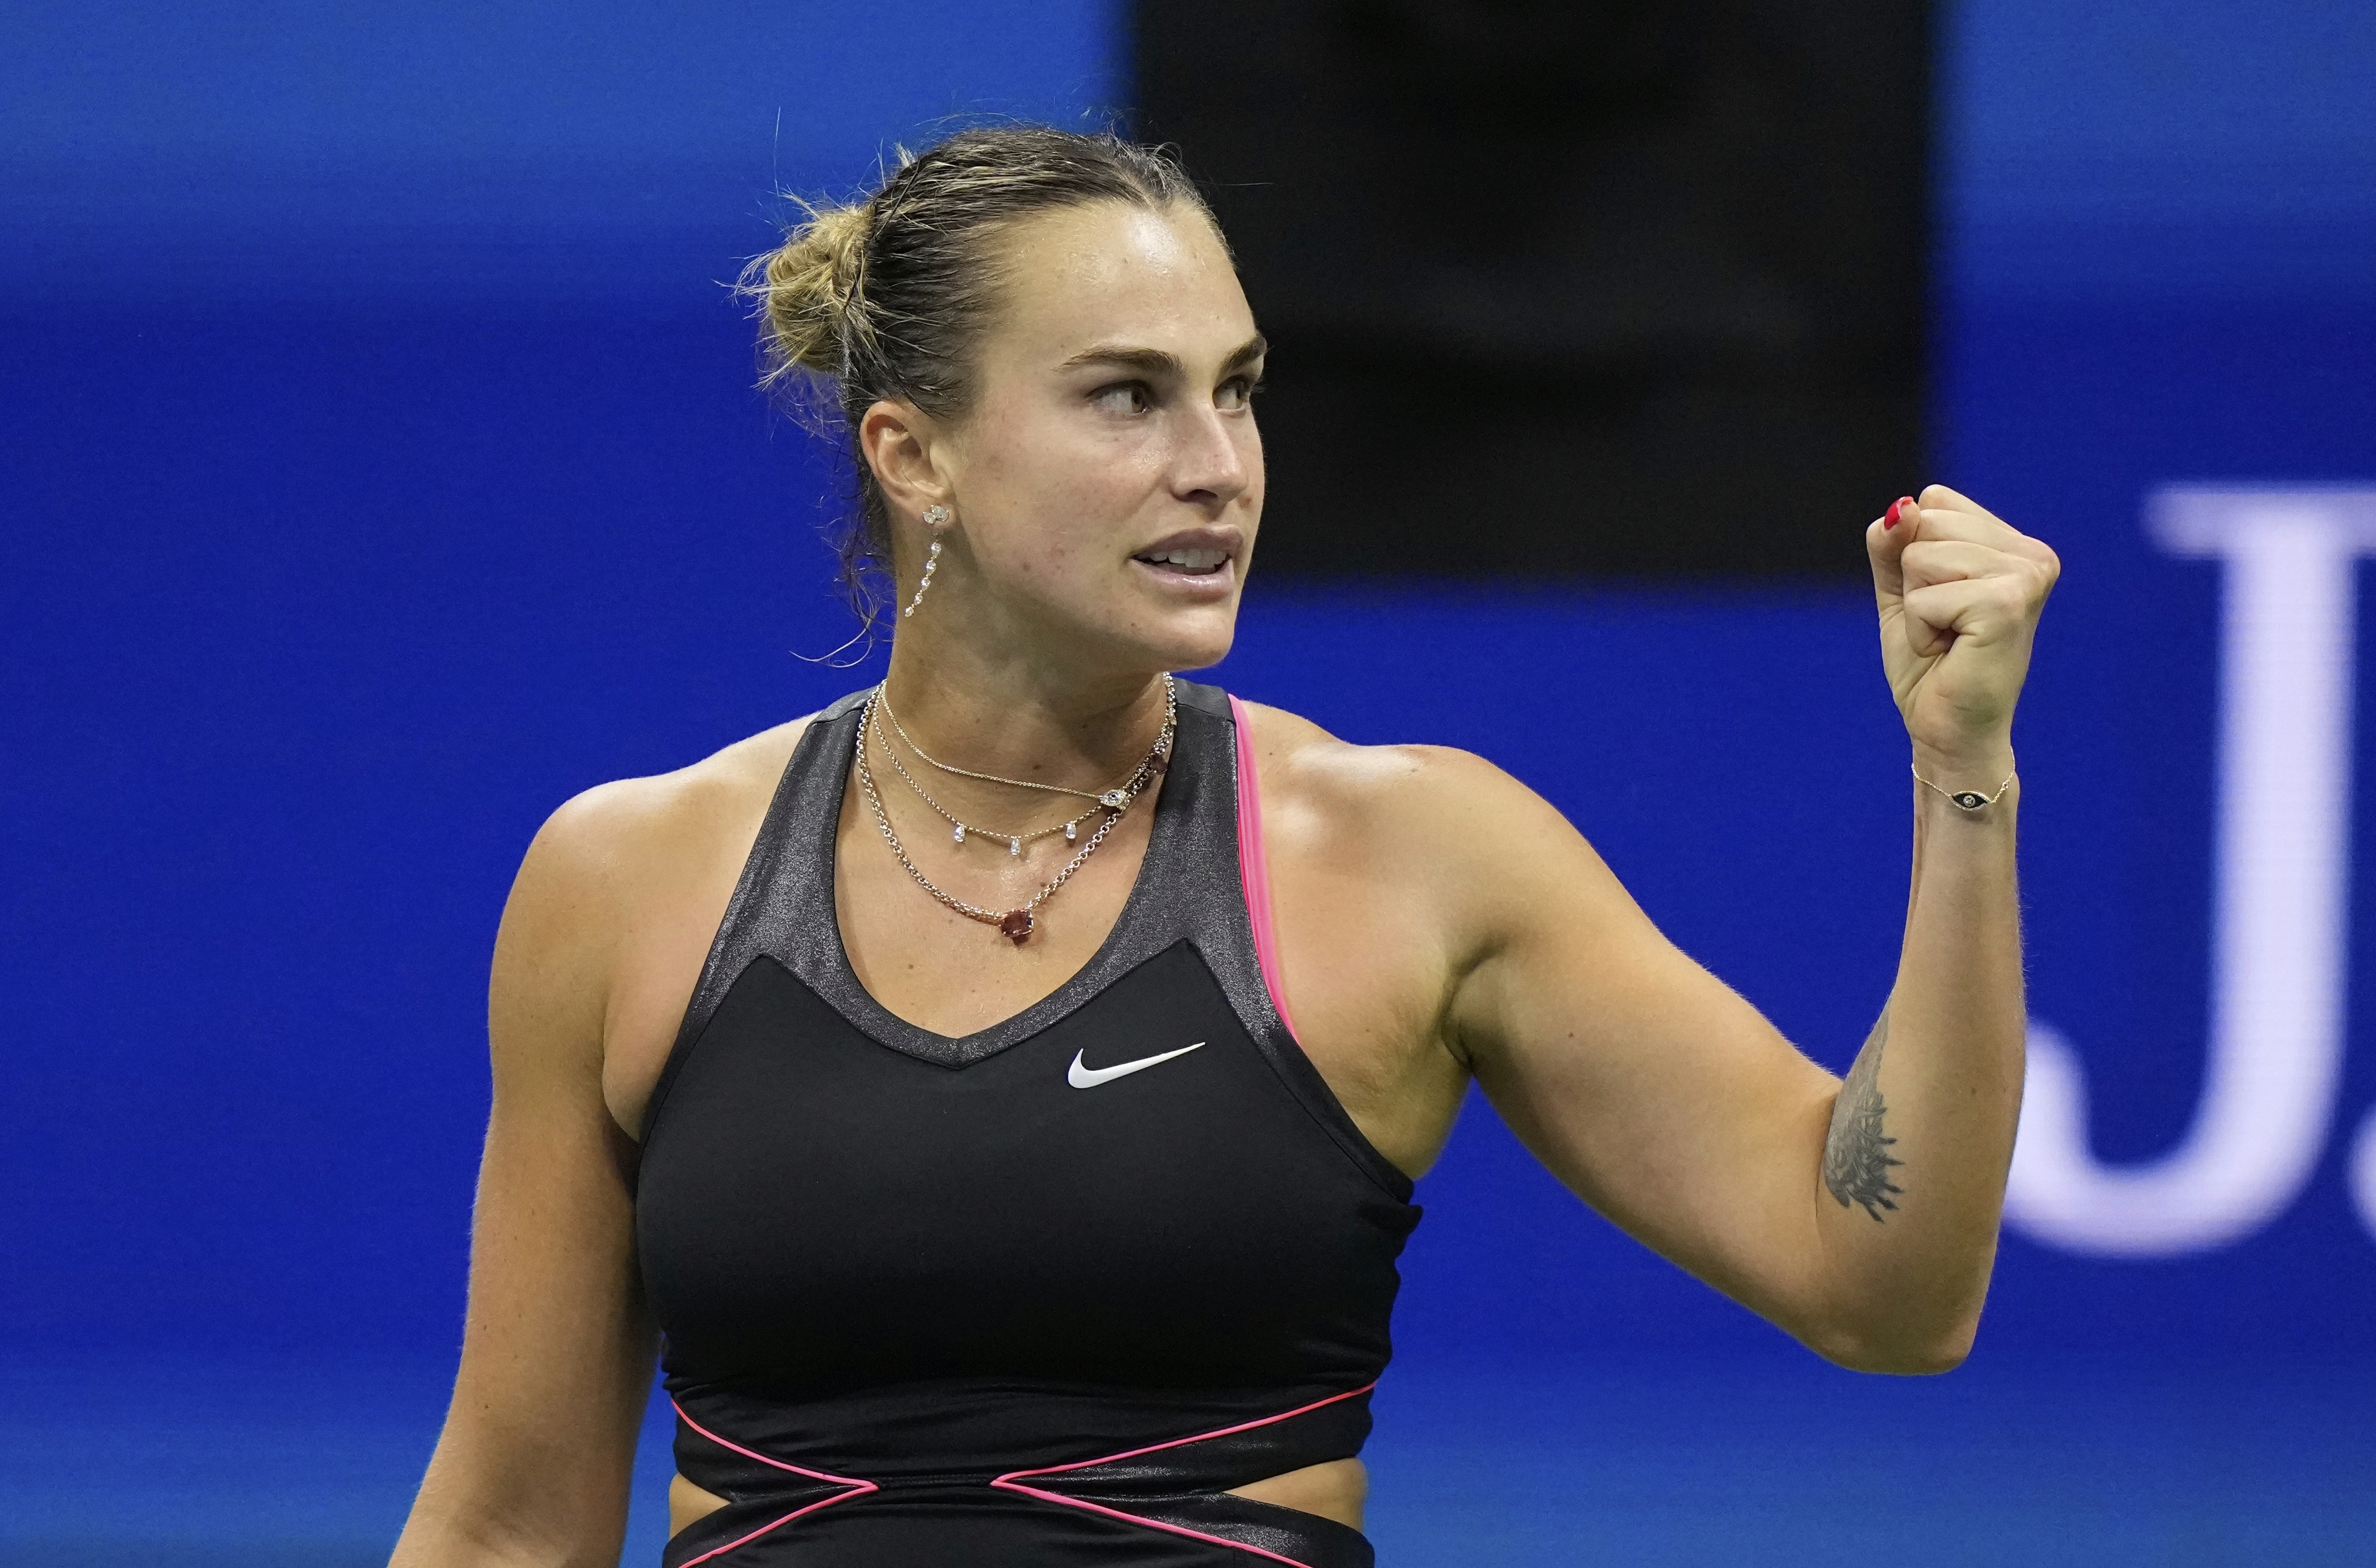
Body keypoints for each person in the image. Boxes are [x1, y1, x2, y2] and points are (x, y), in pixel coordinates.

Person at [389, 126, 2058, 1568]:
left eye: (1239, 393)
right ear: (917, 456)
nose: (1219, 469)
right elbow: (510, 1526)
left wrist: (1960, 777)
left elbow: (1889, 1286)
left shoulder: (1419, 855)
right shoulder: (626, 883)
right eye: (1128, 396)